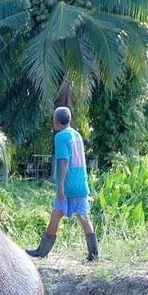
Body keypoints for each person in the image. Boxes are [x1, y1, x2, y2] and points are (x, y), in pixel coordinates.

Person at [25, 106, 100, 261]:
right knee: (84, 218)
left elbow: (64, 161)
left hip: (67, 186)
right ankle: (94, 254)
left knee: (55, 216)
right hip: (81, 184)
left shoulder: (60, 137)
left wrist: (60, 186)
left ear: (56, 122)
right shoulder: (76, 135)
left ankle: (42, 251)